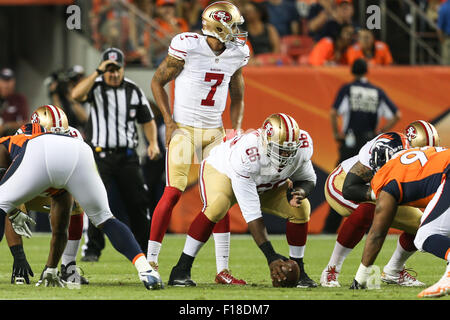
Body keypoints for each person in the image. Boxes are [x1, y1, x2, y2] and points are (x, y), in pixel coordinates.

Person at [148, 1, 250, 285]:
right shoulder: (188, 46)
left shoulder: (237, 53)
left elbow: (238, 94)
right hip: (183, 129)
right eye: (234, 25)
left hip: (214, 132)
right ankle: (151, 262)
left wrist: (237, 128)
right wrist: (168, 122)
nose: (239, 31)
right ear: (219, 26)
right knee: (172, 193)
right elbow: (157, 82)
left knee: (221, 199)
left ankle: (222, 270)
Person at [0, 124, 162, 289]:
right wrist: (51, 268)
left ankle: (61, 266)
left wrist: (11, 209)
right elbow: (60, 229)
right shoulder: (70, 134)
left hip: (39, 154)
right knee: (105, 218)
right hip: (80, 152)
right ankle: (146, 270)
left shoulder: (13, 141)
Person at [168, 113, 318, 288]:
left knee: (301, 208)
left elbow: (308, 179)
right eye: (280, 149)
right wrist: (271, 256)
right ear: (265, 142)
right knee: (218, 206)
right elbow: (252, 215)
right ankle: (181, 269)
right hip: (222, 171)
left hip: (265, 184)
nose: (285, 155)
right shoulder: (248, 155)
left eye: (289, 150)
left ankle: (299, 269)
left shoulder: (302, 147)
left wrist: (300, 191)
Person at [321, 122, 440, 287]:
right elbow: (350, 188)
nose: (425, 157)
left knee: (422, 225)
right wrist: (380, 195)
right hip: (343, 182)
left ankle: (394, 270)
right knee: (368, 209)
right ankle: (331, 269)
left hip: (386, 190)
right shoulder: (388, 146)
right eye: (421, 152)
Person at [71, 47, 160, 261]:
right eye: (108, 69)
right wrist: (96, 72)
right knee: (94, 201)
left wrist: (153, 142)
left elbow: (147, 119)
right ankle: (92, 249)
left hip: (128, 156)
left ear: (123, 68)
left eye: (116, 69)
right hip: (99, 156)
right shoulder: (96, 87)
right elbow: (75, 95)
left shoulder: (133, 89)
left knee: (138, 203)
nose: (113, 73)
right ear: (103, 68)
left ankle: (143, 250)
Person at [350, 145, 449, 298]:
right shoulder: (420, 153)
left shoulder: (387, 176)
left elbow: (377, 233)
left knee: (424, 235)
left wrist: (360, 278)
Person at [5, 105, 89, 285]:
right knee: (11, 206)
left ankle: (68, 266)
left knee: (76, 202)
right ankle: (18, 261)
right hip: (29, 183)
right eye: (52, 136)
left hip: (56, 184)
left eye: (61, 135)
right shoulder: (23, 138)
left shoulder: (73, 136)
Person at [322, 58, 401, 233]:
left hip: (350, 141)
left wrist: (336, 133)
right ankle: (369, 227)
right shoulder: (377, 92)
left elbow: (334, 112)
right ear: (366, 71)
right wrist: (381, 131)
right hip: (369, 144)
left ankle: (329, 229)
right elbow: (396, 114)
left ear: (352, 71)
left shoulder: (348, 89)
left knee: (341, 181)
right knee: (369, 184)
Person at [152, 0, 190, 67]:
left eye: (170, 6)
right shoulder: (154, 24)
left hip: (181, 56)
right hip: (161, 57)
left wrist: (172, 22)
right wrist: (167, 39)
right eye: (164, 6)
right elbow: (151, 49)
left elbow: (186, 43)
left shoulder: (180, 22)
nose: (168, 9)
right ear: (158, 9)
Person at [0, 68, 29, 137]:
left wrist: (5, 126)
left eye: (9, 81)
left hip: (11, 138)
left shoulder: (19, 99)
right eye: (3, 81)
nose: (6, 85)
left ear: (14, 82)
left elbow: (25, 123)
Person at [437, 0, 450, 65]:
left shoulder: (443, 7)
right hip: (447, 38)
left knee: (446, 64)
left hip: (447, 39)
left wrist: (442, 40)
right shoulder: (444, 7)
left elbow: (439, 28)